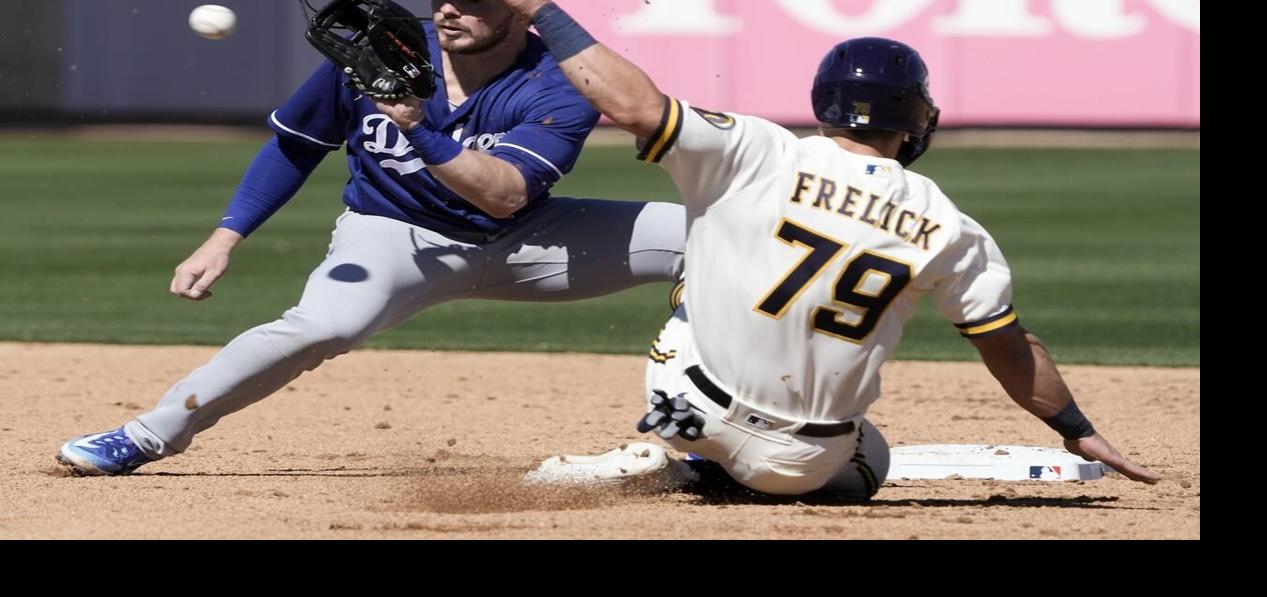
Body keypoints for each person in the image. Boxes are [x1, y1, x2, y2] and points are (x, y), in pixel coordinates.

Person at [509, 0, 1161, 497]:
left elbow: (634, 105)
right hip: (799, 463)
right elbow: (1009, 349)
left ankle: (679, 445)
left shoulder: (756, 150)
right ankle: (697, 478)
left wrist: (540, 10)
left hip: (682, 399)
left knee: (704, 252)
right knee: (868, 464)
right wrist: (1076, 428)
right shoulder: (949, 224)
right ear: (913, 117)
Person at [55, 0, 685, 476]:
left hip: (530, 237)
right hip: (392, 234)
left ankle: (716, 436)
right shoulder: (383, 48)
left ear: (520, 12)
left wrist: (419, 129)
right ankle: (147, 435)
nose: (448, 10)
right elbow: (295, 145)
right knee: (319, 327)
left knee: (714, 239)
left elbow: (504, 194)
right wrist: (225, 236)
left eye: (472, 0)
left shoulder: (557, 82)